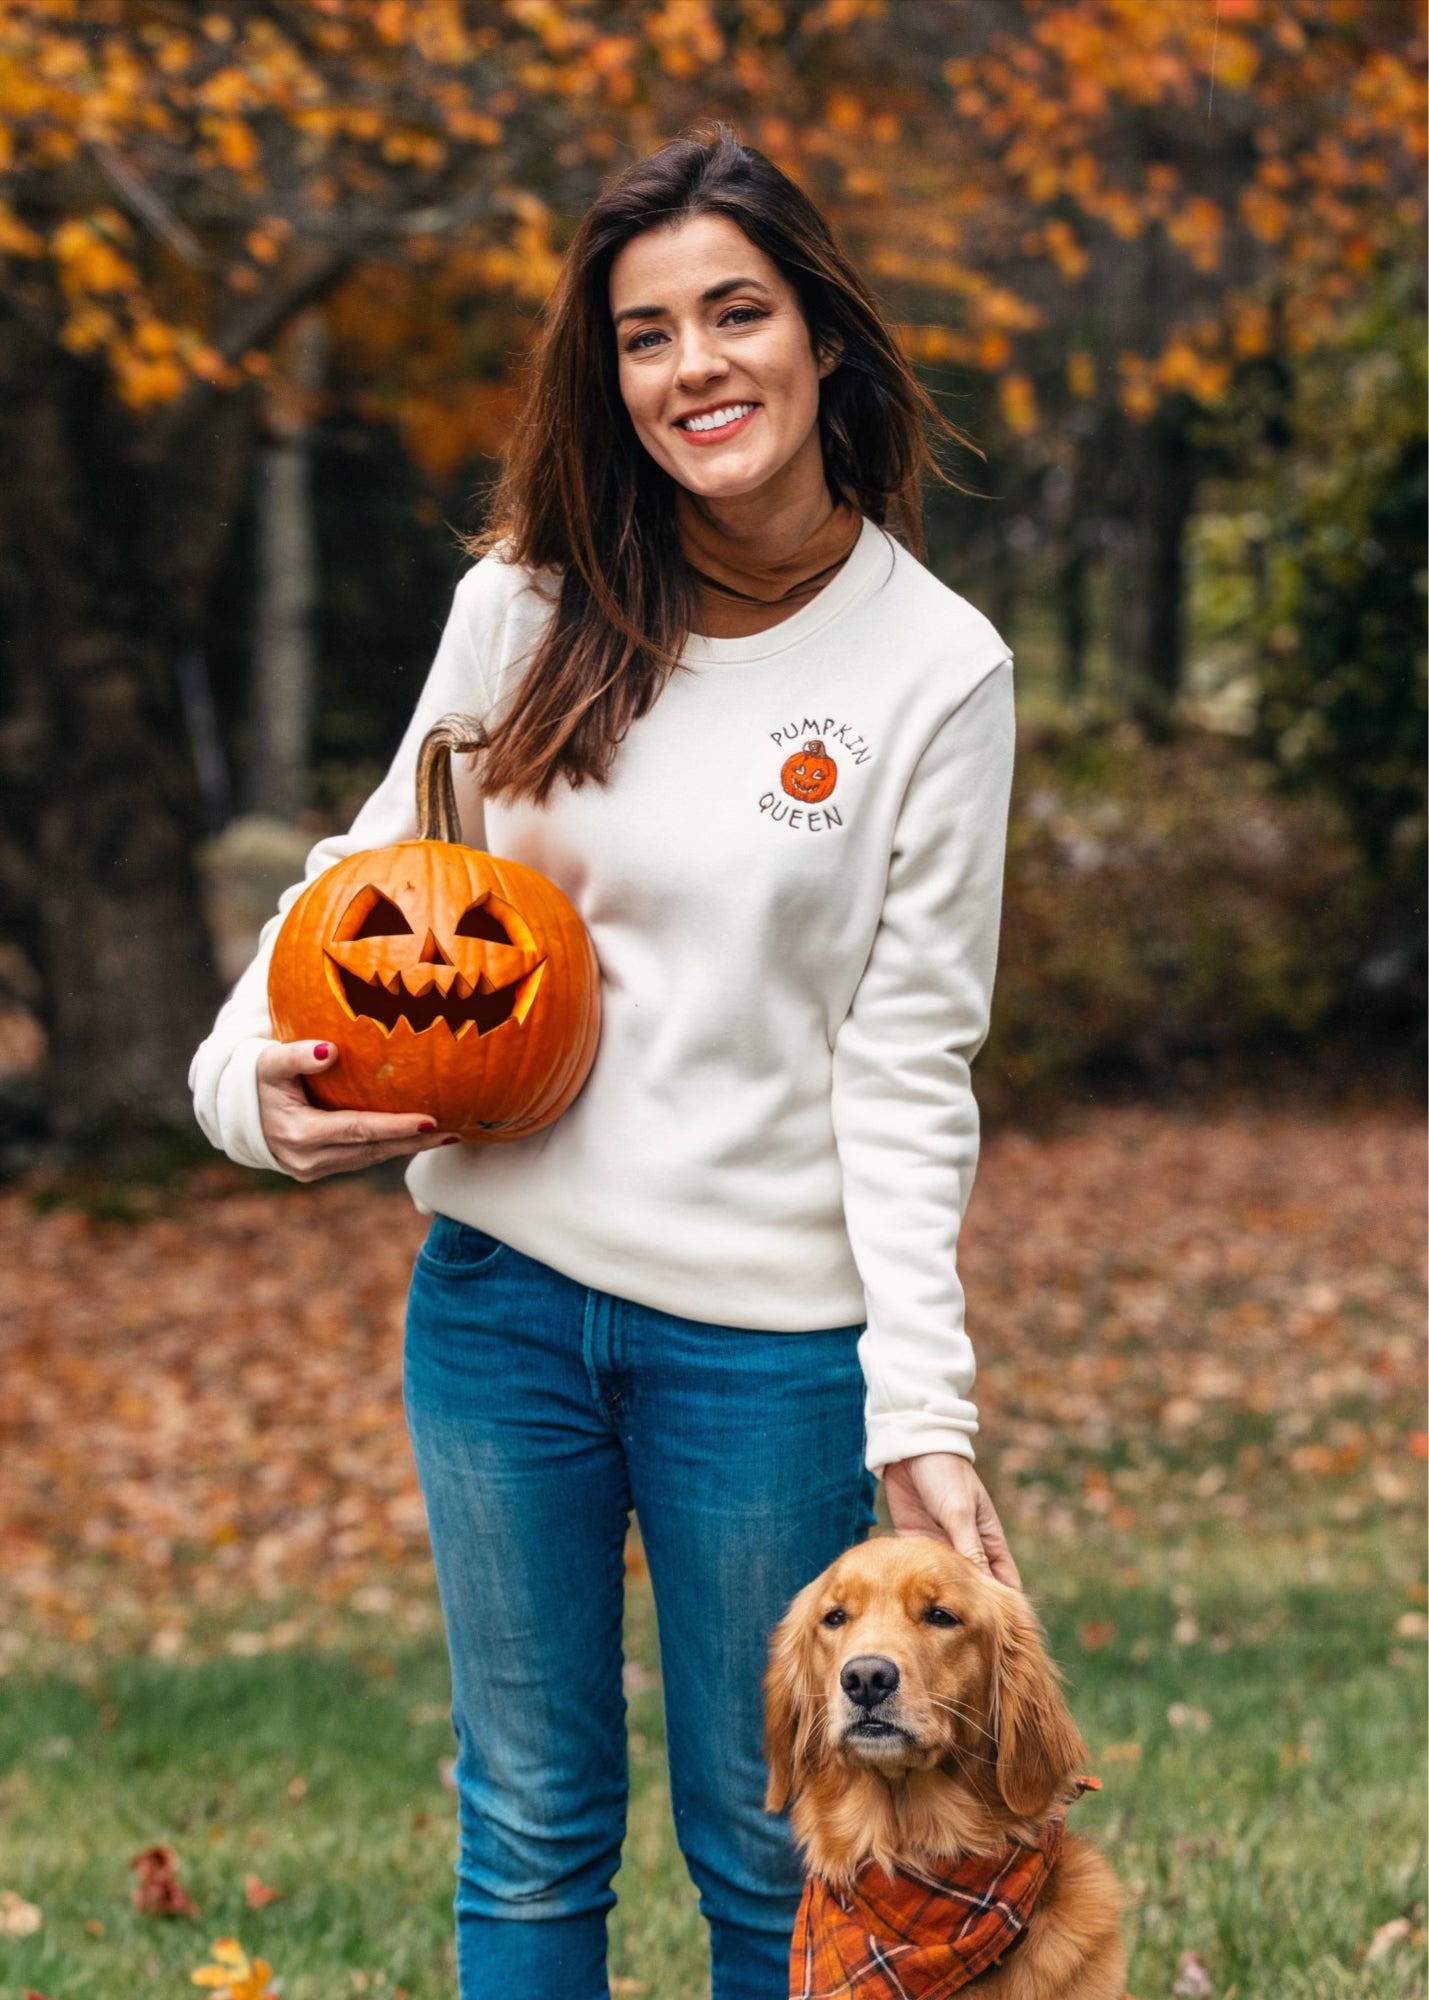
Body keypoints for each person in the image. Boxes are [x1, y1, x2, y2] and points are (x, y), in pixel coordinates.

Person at [191, 122, 1022, 2000]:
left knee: (765, 1834)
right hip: (495, 1305)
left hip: (765, 1345)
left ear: (822, 338)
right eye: (645, 334)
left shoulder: (931, 669)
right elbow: (371, 877)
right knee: (531, 1820)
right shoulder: (530, 601)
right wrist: (245, 1085)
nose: (693, 366)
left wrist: (922, 1410)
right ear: (609, 372)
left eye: (735, 313)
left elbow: (907, 1066)